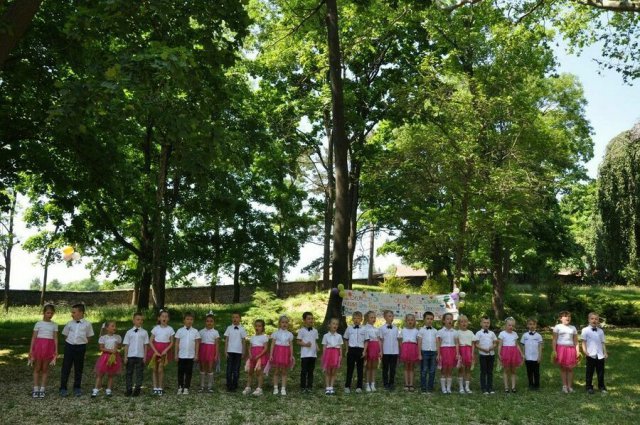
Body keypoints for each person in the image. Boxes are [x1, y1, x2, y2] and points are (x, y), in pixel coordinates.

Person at [59, 303, 94, 397]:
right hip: (69, 346)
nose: (72, 314)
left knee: (79, 368)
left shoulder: (87, 324)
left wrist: (82, 343)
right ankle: (63, 387)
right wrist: (70, 342)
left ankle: (77, 387)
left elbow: (89, 336)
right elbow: (65, 334)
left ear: (81, 313)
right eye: (72, 312)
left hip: (80, 347)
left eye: (74, 312)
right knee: (66, 367)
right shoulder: (69, 323)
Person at [29, 304, 58, 398]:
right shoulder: (38, 324)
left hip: (49, 348)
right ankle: (36, 388)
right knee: (37, 368)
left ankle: (42, 389)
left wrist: (56, 350)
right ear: (44, 313)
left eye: (52, 313)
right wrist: (31, 350)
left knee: (45, 369)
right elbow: (34, 337)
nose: (50, 315)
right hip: (39, 347)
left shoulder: (54, 325)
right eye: (48, 313)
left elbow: (55, 338)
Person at [147, 309, 175, 396]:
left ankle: (160, 387)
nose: (164, 318)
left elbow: (172, 342)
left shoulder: (170, 329)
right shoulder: (155, 328)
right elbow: (150, 341)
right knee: (154, 369)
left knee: (160, 369)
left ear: (168, 319)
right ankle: (155, 387)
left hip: (164, 352)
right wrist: (155, 351)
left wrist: (165, 350)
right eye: (162, 316)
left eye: (166, 317)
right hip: (155, 350)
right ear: (159, 318)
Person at [92, 321, 122, 397]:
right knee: (100, 374)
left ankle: (109, 390)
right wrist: (110, 350)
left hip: (114, 357)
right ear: (107, 328)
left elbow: (119, 346)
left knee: (111, 374)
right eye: (112, 326)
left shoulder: (117, 337)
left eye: (115, 326)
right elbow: (101, 348)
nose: (114, 327)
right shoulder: (103, 337)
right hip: (105, 357)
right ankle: (96, 389)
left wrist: (117, 346)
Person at [552, 310, 579, 393]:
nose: (568, 318)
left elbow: (576, 341)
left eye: (569, 316)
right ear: (561, 318)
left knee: (570, 368)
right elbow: (554, 340)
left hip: (571, 349)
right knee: (563, 368)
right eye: (565, 316)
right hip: (561, 349)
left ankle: (570, 386)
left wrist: (578, 351)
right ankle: (564, 386)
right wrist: (554, 350)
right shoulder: (557, 327)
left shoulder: (573, 328)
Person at [122, 312, 148, 397]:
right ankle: (129, 389)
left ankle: (137, 389)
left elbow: (145, 345)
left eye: (141, 320)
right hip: (130, 356)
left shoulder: (145, 332)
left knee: (139, 373)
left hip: (140, 356)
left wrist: (145, 356)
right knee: (129, 373)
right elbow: (126, 345)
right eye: (138, 319)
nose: (140, 321)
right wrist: (125, 357)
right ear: (133, 321)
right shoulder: (129, 332)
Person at [581, 312, 608, 394]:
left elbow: (603, 342)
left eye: (596, 319)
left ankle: (601, 386)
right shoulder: (585, 330)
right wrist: (585, 351)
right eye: (592, 319)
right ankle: (589, 387)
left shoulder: (600, 331)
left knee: (600, 372)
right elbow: (583, 342)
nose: (594, 320)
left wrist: (605, 352)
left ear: (598, 320)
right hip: (590, 354)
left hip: (600, 355)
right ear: (589, 320)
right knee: (589, 372)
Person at [175, 312, 200, 395]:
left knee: (189, 372)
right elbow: (177, 343)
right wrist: (176, 354)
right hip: (181, 355)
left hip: (190, 356)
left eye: (191, 319)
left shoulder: (195, 331)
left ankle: (186, 387)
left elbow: (197, 343)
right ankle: (180, 386)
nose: (189, 321)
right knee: (180, 372)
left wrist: (196, 354)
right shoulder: (179, 331)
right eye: (187, 319)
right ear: (184, 321)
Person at [269, 315, 295, 396]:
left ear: (288, 324)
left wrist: (291, 355)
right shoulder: (275, 333)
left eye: (286, 322)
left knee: (284, 371)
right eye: (283, 322)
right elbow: (272, 345)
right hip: (277, 353)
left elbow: (291, 345)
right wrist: (271, 355)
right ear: (279, 323)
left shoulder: (289, 334)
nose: (284, 324)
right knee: (276, 371)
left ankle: (283, 388)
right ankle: (275, 387)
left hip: (285, 354)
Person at [498, 317, 523, 393]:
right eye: (509, 325)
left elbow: (517, 345)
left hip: (513, 353)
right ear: (505, 325)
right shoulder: (502, 334)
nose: (511, 327)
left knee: (513, 370)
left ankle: (513, 387)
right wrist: (499, 353)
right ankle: (506, 387)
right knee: (506, 370)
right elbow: (500, 345)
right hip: (506, 353)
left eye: (512, 325)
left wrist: (521, 353)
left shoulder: (514, 334)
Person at [343, 311, 366, 394]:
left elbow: (366, 341)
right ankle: (347, 386)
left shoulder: (364, 329)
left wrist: (364, 351)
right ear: (352, 319)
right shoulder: (349, 328)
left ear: (361, 319)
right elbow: (346, 339)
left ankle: (359, 387)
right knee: (350, 369)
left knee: (360, 369)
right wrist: (347, 349)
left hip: (360, 350)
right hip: (351, 350)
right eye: (355, 318)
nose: (356, 320)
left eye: (358, 318)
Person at [244, 319, 269, 396]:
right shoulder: (252, 337)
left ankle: (259, 388)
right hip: (252, 356)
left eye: (259, 326)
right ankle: (248, 387)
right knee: (250, 372)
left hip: (260, 357)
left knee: (259, 372)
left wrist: (259, 356)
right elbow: (249, 347)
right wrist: (250, 354)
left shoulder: (264, 337)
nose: (257, 327)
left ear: (263, 328)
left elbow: (265, 348)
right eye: (256, 326)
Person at [436, 312, 459, 394]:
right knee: (443, 369)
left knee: (450, 370)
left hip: (452, 351)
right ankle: (443, 388)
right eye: (447, 319)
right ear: (444, 321)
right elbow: (438, 344)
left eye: (451, 319)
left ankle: (448, 388)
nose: (449, 320)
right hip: (444, 351)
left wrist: (457, 353)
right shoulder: (440, 331)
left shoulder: (455, 332)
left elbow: (456, 343)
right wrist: (439, 354)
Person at [224, 312, 247, 392]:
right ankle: (229, 385)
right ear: (231, 319)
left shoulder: (242, 328)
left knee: (236, 370)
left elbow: (244, 341)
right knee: (229, 369)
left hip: (238, 352)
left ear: (240, 319)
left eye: (237, 317)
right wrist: (225, 350)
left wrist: (243, 351)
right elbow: (226, 340)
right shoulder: (229, 328)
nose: (235, 319)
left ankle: (235, 384)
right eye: (233, 317)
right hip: (230, 351)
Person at [297, 312, 318, 393]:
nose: (311, 320)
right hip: (305, 355)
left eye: (312, 318)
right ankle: (303, 387)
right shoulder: (301, 331)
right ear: (304, 320)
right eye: (309, 319)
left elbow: (315, 341)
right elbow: (298, 342)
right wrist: (305, 344)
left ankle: (309, 386)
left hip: (313, 355)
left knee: (311, 371)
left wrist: (317, 347)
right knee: (304, 371)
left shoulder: (315, 331)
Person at [198, 311, 220, 393]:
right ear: (205, 322)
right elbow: (198, 343)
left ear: (214, 322)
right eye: (207, 321)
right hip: (203, 351)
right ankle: (202, 386)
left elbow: (217, 345)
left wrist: (216, 355)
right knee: (203, 368)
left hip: (211, 351)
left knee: (210, 368)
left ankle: (210, 386)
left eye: (211, 321)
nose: (209, 323)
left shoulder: (216, 332)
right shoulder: (200, 332)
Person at [475, 316, 497, 394]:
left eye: (488, 323)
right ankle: (483, 388)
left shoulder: (492, 333)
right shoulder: (478, 333)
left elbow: (495, 343)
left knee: (490, 371)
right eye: (484, 322)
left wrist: (492, 347)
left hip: (491, 354)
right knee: (483, 371)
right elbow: (476, 344)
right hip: (483, 355)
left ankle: (490, 387)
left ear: (489, 324)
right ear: (481, 323)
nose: (486, 324)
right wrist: (483, 349)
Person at [379, 310, 400, 391]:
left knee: (393, 368)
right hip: (386, 352)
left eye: (392, 316)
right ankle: (385, 383)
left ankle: (391, 383)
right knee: (385, 368)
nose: (391, 318)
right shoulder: (381, 328)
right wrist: (381, 351)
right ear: (385, 317)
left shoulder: (396, 328)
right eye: (389, 316)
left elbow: (397, 340)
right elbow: (381, 341)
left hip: (394, 352)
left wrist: (398, 351)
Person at [321, 318, 343, 395]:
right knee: (328, 371)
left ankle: (331, 387)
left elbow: (340, 347)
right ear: (329, 325)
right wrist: (324, 357)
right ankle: (327, 387)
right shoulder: (325, 336)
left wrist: (340, 356)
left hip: (336, 354)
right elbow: (324, 347)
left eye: (336, 324)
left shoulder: (339, 336)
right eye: (333, 323)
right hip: (328, 354)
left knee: (333, 371)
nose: (335, 325)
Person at [520, 318, 543, 390]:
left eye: (533, 324)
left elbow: (540, 346)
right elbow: (522, 345)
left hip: (536, 357)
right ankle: (530, 384)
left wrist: (539, 356)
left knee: (536, 372)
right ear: (527, 325)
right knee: (529, 372)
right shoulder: (525, 335)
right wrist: (523, 355)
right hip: (528, 357)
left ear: (536, 325)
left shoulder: (538, 336)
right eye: (530, 324)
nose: (532, 326)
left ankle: (537, 385)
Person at [399, 313, 420, 392]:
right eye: (408, 320)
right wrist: (402, 350)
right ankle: (406, 383)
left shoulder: (416, 331)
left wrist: (417, 351)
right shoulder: (403, 330)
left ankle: (411, 384)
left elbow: (418, 342)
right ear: (406, 321)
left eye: (412, 320)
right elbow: (400, 342)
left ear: (414, 321)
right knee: (406, 367)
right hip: (405, 349)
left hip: (413, 349)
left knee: (411, 367)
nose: (410, 321)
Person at [456, 314, 477, 394]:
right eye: (462, 322)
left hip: (468, 351)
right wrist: (458, 354)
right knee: (461, 369)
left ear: (468, 323)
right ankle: (461, 387)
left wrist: (472, 354)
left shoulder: (470, 332)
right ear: (458, 323)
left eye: (465, 321)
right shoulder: (457, 332)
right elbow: (457, 344)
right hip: (461, 351)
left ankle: (467, 387)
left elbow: (473, 344)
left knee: (468, 369)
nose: (464, 323)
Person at [417, 311, 437, 393]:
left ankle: (430, 387)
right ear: (424, 320)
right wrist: (419, 354)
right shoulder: (421, 330)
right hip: (424, 352)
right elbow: (419, 342)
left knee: (432, 371)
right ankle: (423, 387)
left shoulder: (435, 331)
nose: (429, 320)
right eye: (428, 319)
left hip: (433, 352)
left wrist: (438, 353)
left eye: (431, 319)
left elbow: (437, 342)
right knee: (424, 370)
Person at [362, 311, 381, 392]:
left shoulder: (376, 329)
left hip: (375, 348)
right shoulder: (364, 328)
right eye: (371, 317)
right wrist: (364, 350)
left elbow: (379, 340)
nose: (373, 319)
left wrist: (380, 351)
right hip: (368, 348)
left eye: (374, 317)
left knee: (374, 366)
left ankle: (372, 383)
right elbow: (364, 340)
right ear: (367, 318)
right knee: (368, 366)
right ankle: (367, 383)